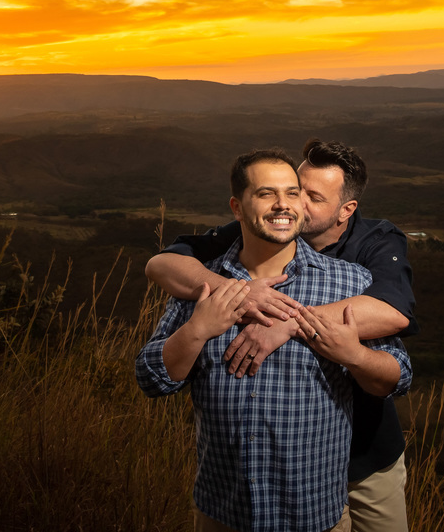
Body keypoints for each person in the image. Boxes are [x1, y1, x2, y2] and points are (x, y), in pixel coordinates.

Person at [145, 139, 417, 532]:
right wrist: (230, 291)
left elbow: (393, 313)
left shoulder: (371, 249)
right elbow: (162, 263)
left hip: (366, 445)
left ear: (346, 211)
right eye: (293, 189)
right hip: (250, 481)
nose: (293, 204)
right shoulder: (254, 231)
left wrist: (288, 323)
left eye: (310, 196)